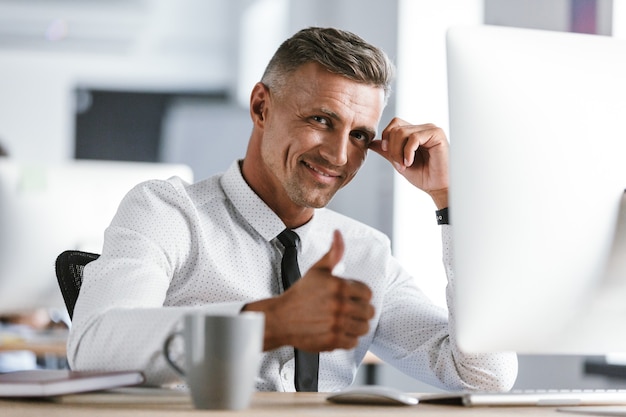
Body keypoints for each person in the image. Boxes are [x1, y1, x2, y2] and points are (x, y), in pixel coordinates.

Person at [67, 27, 518, 392]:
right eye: (322, 120)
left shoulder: (366, 254)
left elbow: (484, 376)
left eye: (360, 135)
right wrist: (269, 322)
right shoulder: (168, 213)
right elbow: (93, 346)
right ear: (262, 107)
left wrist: (450, 202)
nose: (340, 156)